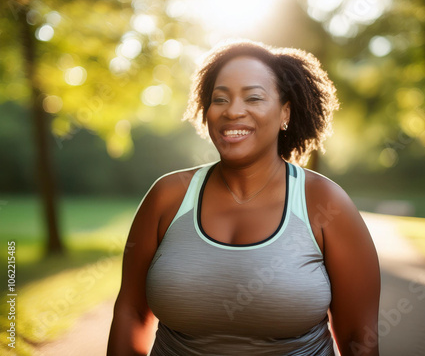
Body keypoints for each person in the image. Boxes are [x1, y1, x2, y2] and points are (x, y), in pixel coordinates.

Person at [107, 40, 380, 356]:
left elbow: (357, 337)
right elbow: (131, 312)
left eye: (253, 97)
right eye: (220, 99)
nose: (233, 111)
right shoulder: (167, 197)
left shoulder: (325, 203)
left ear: (285, 114)